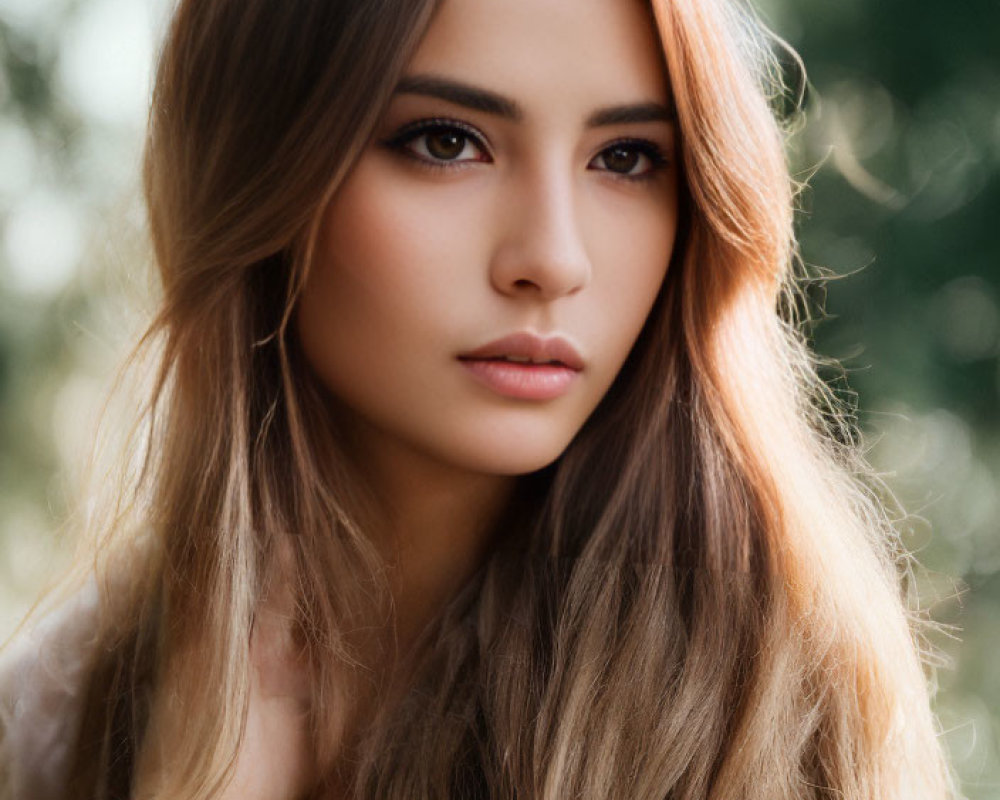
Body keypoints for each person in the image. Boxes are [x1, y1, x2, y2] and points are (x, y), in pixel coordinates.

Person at [0, 0, 955, 797]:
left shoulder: (783, 711)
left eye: (624, 158)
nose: (553, 258)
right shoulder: (60, 710)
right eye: (448, 141)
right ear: (257, 171)